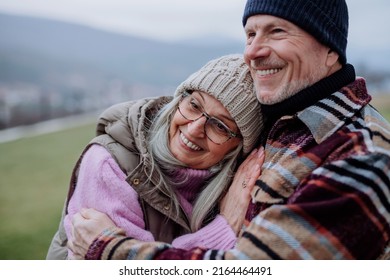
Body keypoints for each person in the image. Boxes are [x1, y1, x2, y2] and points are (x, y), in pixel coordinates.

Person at [68, 0, 390, 260]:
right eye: (250, 35)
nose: (253, 51)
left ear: (330, 48)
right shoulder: (285, 124)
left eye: (277, 31)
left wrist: (107, 251)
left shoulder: (362, 155)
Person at [46, 54, 265, 259]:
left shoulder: (237, 186)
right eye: (194, 105)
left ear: (238, 147)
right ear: (179, 100)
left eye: (219, 125)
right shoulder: (110, 165)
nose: (194, 128)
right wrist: (222, 230)